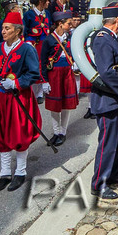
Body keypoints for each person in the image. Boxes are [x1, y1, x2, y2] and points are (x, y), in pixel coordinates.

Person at [0, 12, 42, 191]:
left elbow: (34, 73)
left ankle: (20, 172)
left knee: (19, 134)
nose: (3, 31)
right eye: (3, 28)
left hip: (19, 98)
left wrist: (16, 82)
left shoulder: (27, 49)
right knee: (1, 134)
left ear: (17, 31)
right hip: (1, 98)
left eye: (7, 28)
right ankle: (4, 172)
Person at [88, 3, 118, 200]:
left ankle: (114, 174)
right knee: (108, 143)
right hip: (107, 99)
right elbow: (106, 71)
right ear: (117, 20)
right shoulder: (102, 40)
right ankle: (99, 183)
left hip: (116, 99)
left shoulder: (111, 38)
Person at [43, 14, 80, 147]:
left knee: (66, 105)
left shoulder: (70, 37)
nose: (70, 26)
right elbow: (42, 62)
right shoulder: (49, 40)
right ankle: (55, 132)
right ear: (60, 23)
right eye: (68, 23)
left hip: (67, 73)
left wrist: (75, 62)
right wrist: (44, 81)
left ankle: (62, 133)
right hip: (54, 75)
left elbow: (75, 52)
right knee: (55, 106)